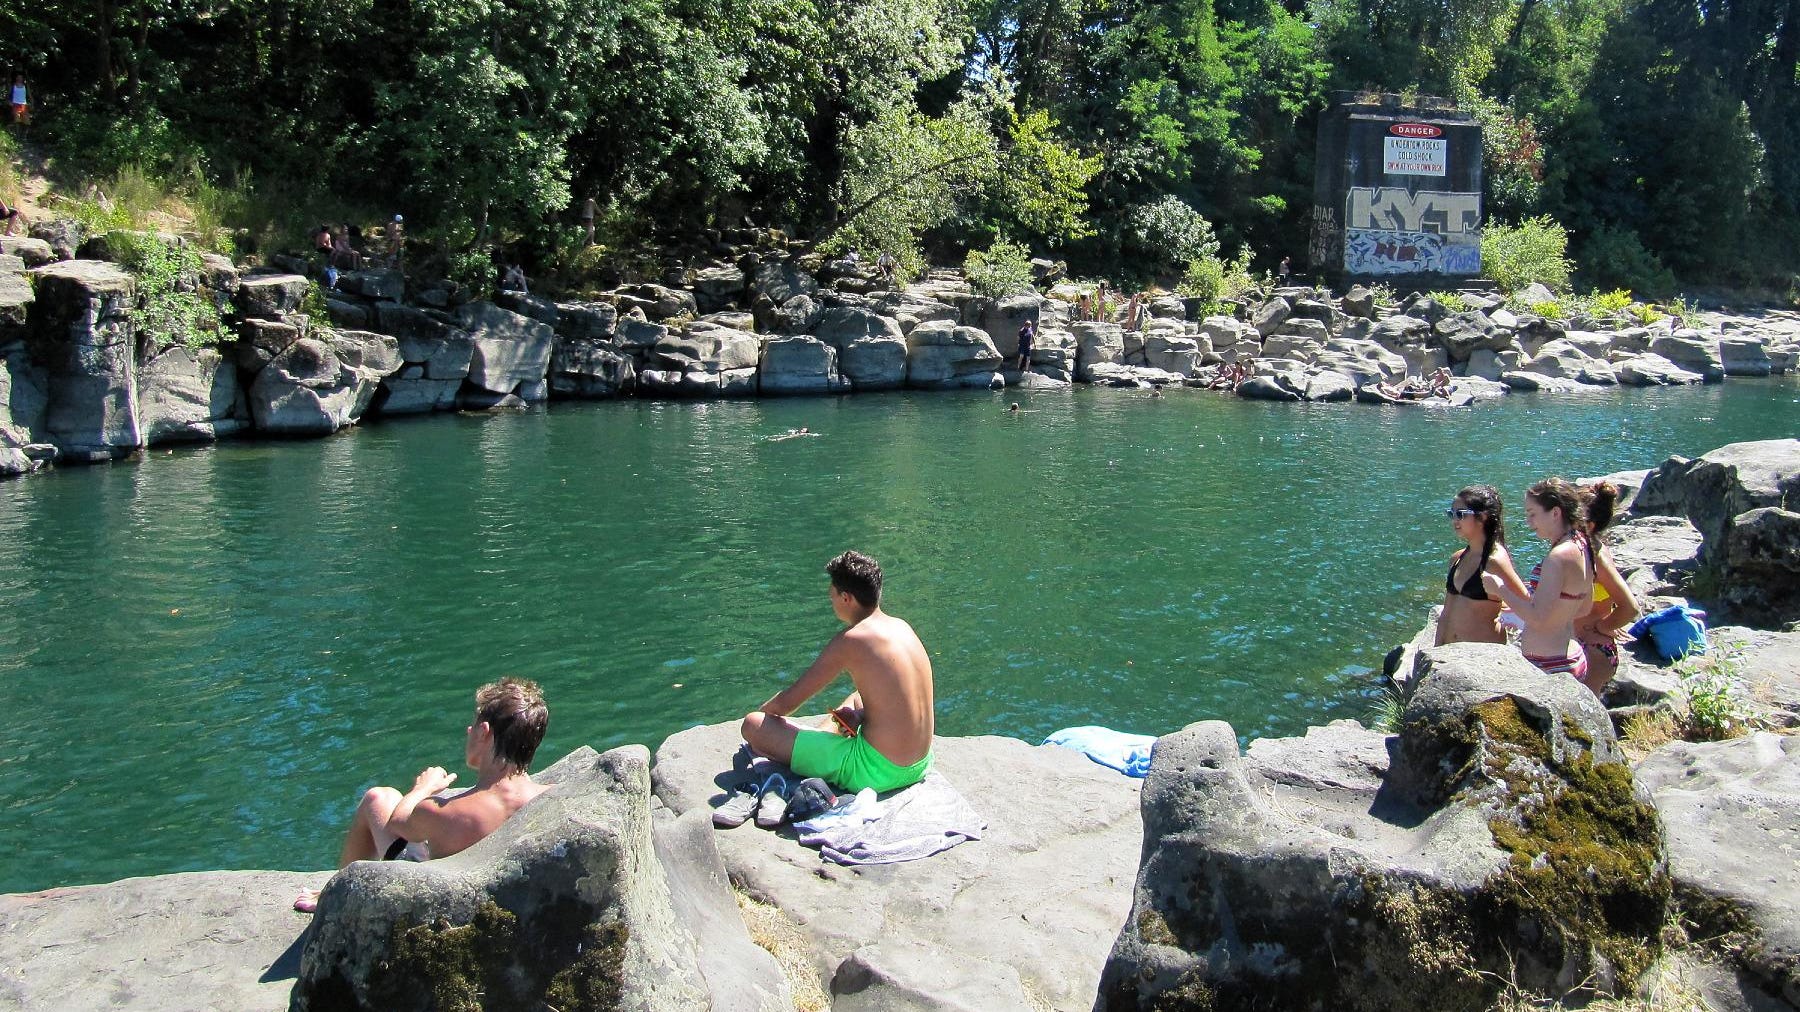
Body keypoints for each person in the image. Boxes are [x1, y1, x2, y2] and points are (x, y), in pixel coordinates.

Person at [294, 678, 551, 912]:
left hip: (440, 897)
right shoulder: (550, 799)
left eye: (473, 724)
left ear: (484, 732)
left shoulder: (446, 812)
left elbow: (399, 821)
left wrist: (423, 789)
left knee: (377, 798)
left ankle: (337, 900)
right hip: (509, 901)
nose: (468, 731)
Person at [740, 551, 935, 794]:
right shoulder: (901, 626)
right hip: (919, 764)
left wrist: (766, 717)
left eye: (832, 595)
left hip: (875, 772)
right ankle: (824, 740)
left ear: (846, 598)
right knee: (857, 696)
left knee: (753, 725)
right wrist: (861, 714)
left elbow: (787, 703)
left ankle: (820, 744)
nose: (830, 600)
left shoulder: (851, 640)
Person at [1482, 478, 1597, 680]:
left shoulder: (1558, 557)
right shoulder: (1582, 544)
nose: (1529, 522)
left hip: (1549, 664)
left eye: (1532, 514)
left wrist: (1499, 588)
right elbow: (1584, 607)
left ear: (1555, 512)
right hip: (1571, 655)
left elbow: (1537, 617)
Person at [1435, 485, 1529, 645]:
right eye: (1452, 514)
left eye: (1461, 514)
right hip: (1450, 655)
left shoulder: (1494, 561)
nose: (1455, 520)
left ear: (1483, 517)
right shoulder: (1457, 558)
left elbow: (1528, 606)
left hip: (1482, 657)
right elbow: (1446, 613)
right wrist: (1435, 650)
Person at [1574, 482, 1638, 695]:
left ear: (1589, 525)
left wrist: (1604, 626)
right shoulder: (1585, 552)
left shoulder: (1597, 558)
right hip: (1585, 647)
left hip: (1593, 651)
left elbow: (1629, 608)